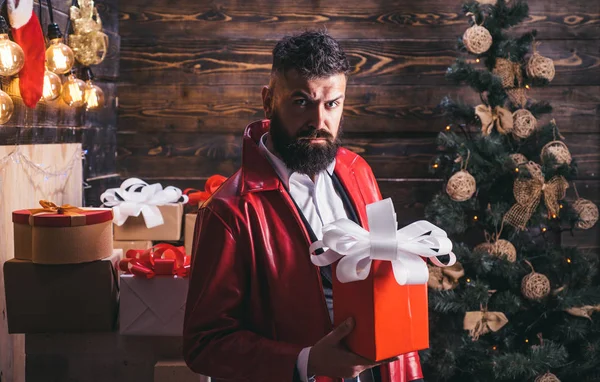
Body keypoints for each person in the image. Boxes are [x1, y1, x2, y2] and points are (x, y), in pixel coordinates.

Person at [183, 30, 424, 382]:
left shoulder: (359, 171)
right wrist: (307, 362)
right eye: (301, 102)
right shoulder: (228, 212)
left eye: (332, 104)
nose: (318, 121)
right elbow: (203, 345)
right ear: (268, 101)